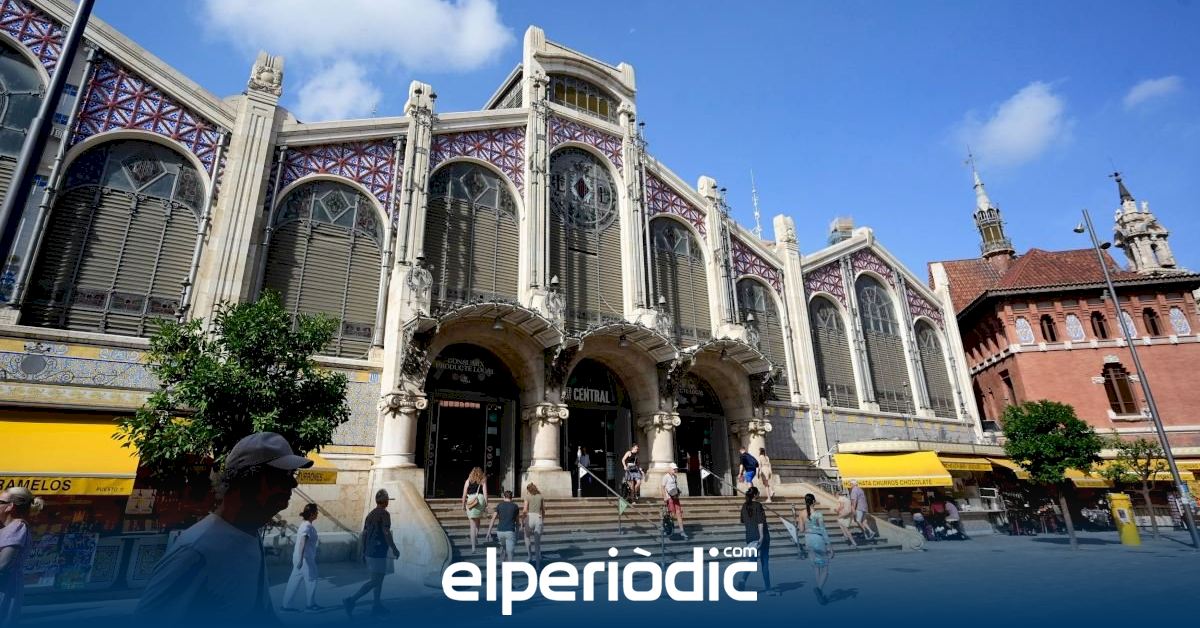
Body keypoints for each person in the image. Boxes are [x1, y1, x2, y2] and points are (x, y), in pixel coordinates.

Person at [137, 432, 314, 625]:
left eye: (292, 475)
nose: (293, 484)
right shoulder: (195, 551)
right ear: (247, 480)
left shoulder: (250, 536)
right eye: (282, 476)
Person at [343, 489, 400, 617]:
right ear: (385, 501)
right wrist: (394, 548)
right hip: (378, 552)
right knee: (376, 581)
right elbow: (386, 532)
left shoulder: (370, 514)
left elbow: (364, 534)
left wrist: (364, 551)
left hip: (370, 551)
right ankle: (351, 600)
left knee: (379, 579)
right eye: (387, 500)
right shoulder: (384, 514)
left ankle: (376, 605)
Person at [0, 487, 43, 627]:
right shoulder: (5, 527)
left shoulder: (18, 527)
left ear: (10, 506)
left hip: (5, 587)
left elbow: (3, 563)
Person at [281, 503, 322, 612]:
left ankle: (286, 605)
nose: (317, 514)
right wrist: (301, 560)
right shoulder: (307, 526)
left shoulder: (305, 524)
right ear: (312, 514)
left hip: (301, 558)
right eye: (316, 512)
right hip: (305, 559)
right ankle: (310, 606)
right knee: (312, 579)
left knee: (294, 581)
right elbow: (302, 542)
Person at [796, 493, 833, 605]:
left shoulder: (801, 513)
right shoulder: (818, 514)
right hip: (818, 540)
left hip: (808, 540)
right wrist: (829, 546)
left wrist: (798, 523)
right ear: (814, 501)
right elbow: (823, 530)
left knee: (816, 567)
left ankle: (820, 595)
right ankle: (819, 589)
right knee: (825, 568)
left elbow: (801, 529)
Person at [735, 487, 772, 594]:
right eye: (758, 492)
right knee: (764, 562)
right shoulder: (758, 505)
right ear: (755, 494)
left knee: (752, 560)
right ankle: (768, 588)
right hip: (762, 536)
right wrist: (761, 536)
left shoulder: (744, 505)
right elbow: (760, 522)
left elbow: (743, 520)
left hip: (750, 536)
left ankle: (743, 579)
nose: (759, 493)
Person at [486, 491, 520, 562]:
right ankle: (509, 567)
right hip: (510, 531)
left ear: (504, 497)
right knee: (510, 553)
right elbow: (517, 522)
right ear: (511, 497)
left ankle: (502, 564)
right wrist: (517, 533)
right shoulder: (515, 506)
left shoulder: (499, 505)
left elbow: (493, 519)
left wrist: (489, 532)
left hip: (500, 531)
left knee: (503, 549)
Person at [462, 467, 488, 552]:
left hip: (471, 501)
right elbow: (485, 493)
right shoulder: (482, 480)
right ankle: (476, 536)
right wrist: (486, 505)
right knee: (478, 520)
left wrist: (463, 504)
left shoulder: (468, 481)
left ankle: (473, 547)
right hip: (480, 500)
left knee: (472, 525)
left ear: (471, 473)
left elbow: (464, 494)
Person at [661, 464, 689, 540]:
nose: (675, 470)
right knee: (673, 514)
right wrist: (664, 497)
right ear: (670, 469)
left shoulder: (674, 476)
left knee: (679, 513)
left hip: (675, 497)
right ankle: (668, 525)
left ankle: (682, 531)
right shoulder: (666, 477)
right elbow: (662, 487)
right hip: (669, 497)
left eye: (675, 469)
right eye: (674, 469)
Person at [522, 483, 545, 567]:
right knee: (537, 543)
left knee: (527, 537)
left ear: (528, 490)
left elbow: (525, 510)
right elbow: (543, 510)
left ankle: (530, 556)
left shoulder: (527, 497)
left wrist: (522, 520)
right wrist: (542, 520)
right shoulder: (541, 496)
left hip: (529, 517)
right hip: (538, 518)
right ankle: (538, 565)